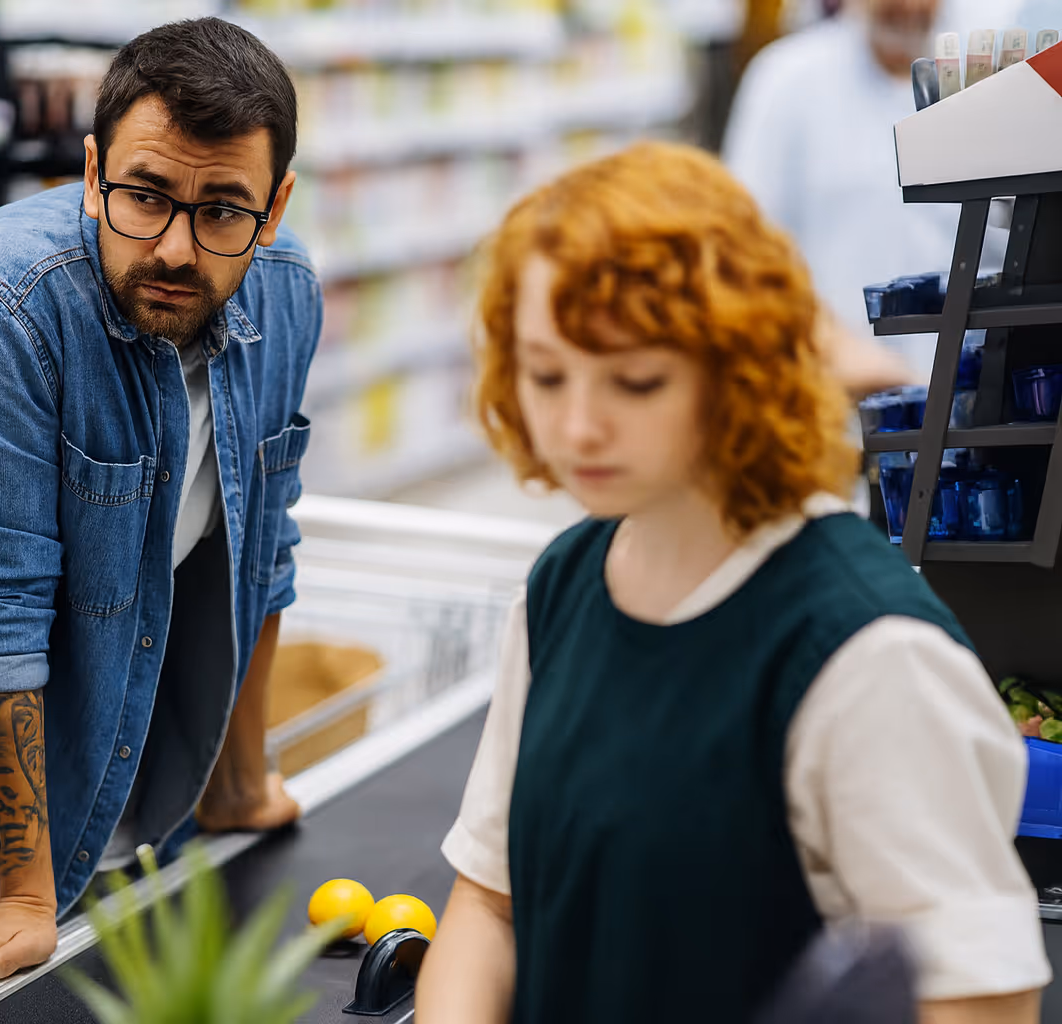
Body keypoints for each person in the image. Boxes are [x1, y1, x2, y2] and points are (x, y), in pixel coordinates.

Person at [414, 142, 1051, 1023]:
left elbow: (982, 999)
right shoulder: (563, 588)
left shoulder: (867, 652)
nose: (577, 425)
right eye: (546, 374)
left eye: (635, 381)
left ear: (736, 370)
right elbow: (489, 903)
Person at [0, 18, 319, 978]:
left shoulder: (287, 291)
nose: (179, 250)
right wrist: (16, 894)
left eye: (224, 210)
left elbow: (262, 554)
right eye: (144, 195)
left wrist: (237, 784)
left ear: (273, 208)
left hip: (145, 827)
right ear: (94, 167)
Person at [723, 0, 1009, 384]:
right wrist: (832, 346)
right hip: (839, 398)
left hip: (984, 396)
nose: (910, 6)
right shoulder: (788, 81)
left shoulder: (993, 76)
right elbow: (742, 252)